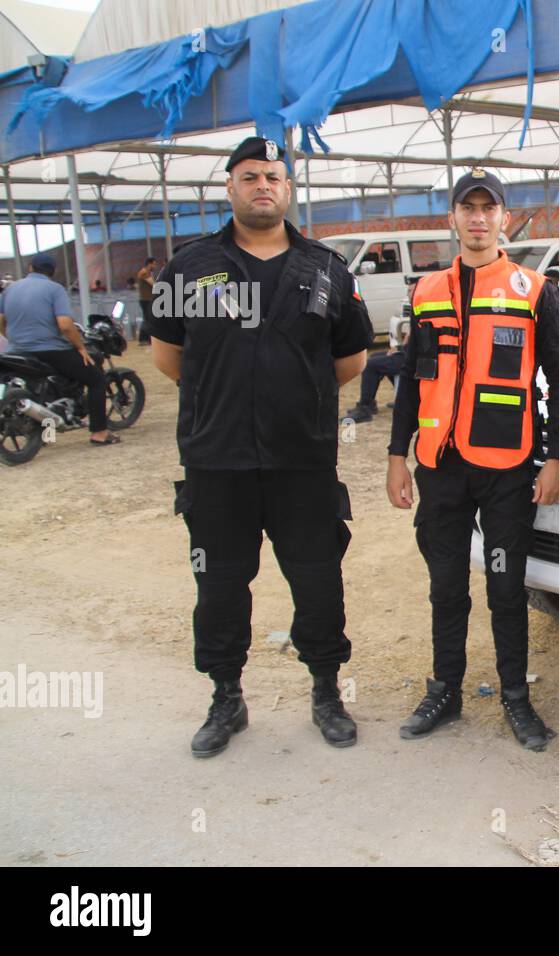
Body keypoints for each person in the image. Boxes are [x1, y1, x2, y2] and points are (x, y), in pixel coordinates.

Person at [147, 136, 373, 757]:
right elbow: (168, 355)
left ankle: (326, 691)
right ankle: (227, 697)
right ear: (230, 188)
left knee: (318, 579)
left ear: (288, 188)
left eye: (273, 176)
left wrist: (290, 393)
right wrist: (227, 395)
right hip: (216, 461)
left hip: (302, 459)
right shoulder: (188, 268)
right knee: (219, 584)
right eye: (250, 177)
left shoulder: (327, 268)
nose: (262, 186)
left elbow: (350, 358)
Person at [386, 168, 559, 751]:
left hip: (506, 466)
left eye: (487, 208)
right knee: (446, 585)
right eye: (466, 208)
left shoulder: (533, 290)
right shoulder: (425, 292)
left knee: (505, 585)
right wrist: (398, 456)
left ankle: (516, 699)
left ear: (503, 219)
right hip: (439, 467)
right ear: (452, 219)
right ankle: (445, 691)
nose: (477, 218)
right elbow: (412, 382)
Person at [0, 253, 117, 446]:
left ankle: (45, 431)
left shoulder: (10, 289)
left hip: (16, 351)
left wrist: (13, 339)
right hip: (49, 349)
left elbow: (1, 321)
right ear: (53, 271)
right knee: (96, 380)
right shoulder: (55, 289)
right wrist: (80, 347)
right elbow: (65, 325)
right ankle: (100, 432)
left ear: (30, 268)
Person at [342, 329, 406, 423]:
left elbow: (412, 334)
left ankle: (365, 408)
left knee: (370, 365)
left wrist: (400, 349)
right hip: (411, 353)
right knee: (374, 356)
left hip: (414, 356)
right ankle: (372, 404)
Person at [136, 257, 158, 345]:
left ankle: (146, 339)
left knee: (148, 319)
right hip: (146, 300)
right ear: (149, 264)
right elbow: (153, 284)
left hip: (147, 299)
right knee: (147, 319)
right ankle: (143, 339)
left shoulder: (146, 272)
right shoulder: (144, 272)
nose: (155, 266)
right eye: (154, 264)